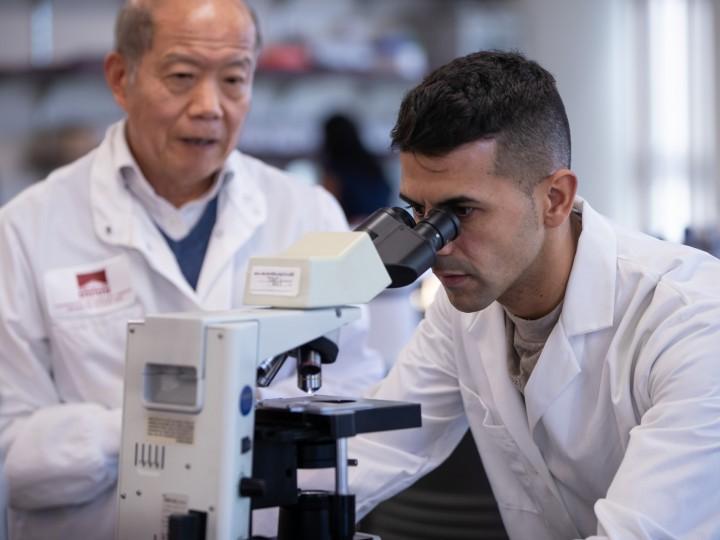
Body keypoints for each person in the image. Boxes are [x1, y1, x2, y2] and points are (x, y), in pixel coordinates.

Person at [0, 1, 385, 539]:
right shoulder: (26, 229)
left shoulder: (307, 215)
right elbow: (12, 456)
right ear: (120, 77)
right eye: (181, 77)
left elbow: (352, 398)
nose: (209, 106)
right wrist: (166, 425)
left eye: (233, 79)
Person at [309, 51, 720, 539]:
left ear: (554, 199)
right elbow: (378, 450)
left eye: (461, 211)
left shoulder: (692, 322)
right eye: (418, 212)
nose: (435, 245)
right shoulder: (463, 311)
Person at [319, 112, 392, 225]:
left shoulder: (334, 168)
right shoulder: (372, 163)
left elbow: (326, 205)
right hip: (381, 225)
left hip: (350, 228)